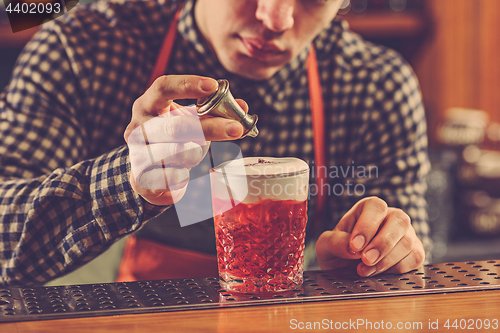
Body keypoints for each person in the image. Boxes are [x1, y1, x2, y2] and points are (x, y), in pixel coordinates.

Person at [0, 0, 430, 286]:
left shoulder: (376, 86)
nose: (276, 20)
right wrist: (127, 180)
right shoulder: (84, 49)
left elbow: (407, 270)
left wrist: (370, 259)